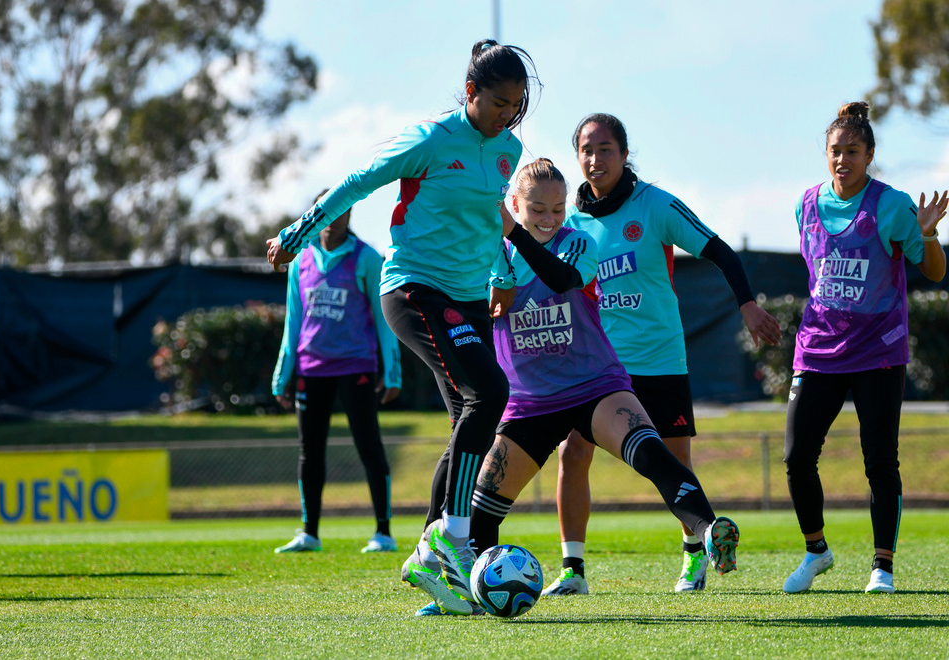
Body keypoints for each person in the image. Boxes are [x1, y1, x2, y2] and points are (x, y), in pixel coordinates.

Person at [266, 39, 540, 615]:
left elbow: (491, 218)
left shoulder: (509, 150)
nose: (507, 115)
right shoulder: (430, 140)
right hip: (414, 287)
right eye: (498, 103)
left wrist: (503, 273)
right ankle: (455, 539)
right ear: (471, 92)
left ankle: (429, 558)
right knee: (491, 394)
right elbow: (358, 181)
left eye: (516, 105)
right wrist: (295, 235)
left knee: (470, 418)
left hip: (467, 300)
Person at [466, 158, 739, 601]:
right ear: (513, 204)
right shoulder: (486, 255)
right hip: (529, 403)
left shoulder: (578, 243)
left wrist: (511, 234)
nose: (550, 219)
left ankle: (709, 530)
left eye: (557, 209)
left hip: (594, 386)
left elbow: (559, 279)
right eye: (537, 210)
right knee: (482, 510)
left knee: (650, 450)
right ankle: (469, 594)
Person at [542, 113, 782, 596]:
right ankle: (573, 570)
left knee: (674, 462)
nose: (595, 159)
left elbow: (720, 251)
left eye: (605, 148)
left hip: (659, 358)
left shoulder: (656, 205)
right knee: (573, 453)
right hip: (596, 367)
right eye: (587, 150)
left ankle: (695, 555)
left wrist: (748, 304)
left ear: (625, 154)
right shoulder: (569, 224)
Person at [781, 102, 947, 595]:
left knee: (879, 458)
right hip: (817, 350)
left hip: (878, 350)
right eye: (835, 151)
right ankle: (816, 552)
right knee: (796, 455)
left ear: (869, 155)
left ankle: (883, 567)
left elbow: (935, 272)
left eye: (852, 151)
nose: (842, 160)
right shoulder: (805, 205)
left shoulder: (893, 206)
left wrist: (929, 234)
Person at [271, 190, 402, 555]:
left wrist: (392, 373)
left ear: (350, 214)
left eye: (341, 210)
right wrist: (283, 375)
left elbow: (385, 320)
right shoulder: (300, 260)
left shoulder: (366, 259)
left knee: (369, 447)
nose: (333, 217)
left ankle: (383, 533)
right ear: (314, 215)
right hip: (311, 370)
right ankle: (308, 533)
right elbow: (292, 323)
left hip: (356, 368)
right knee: (309, 452)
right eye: (325, 211)